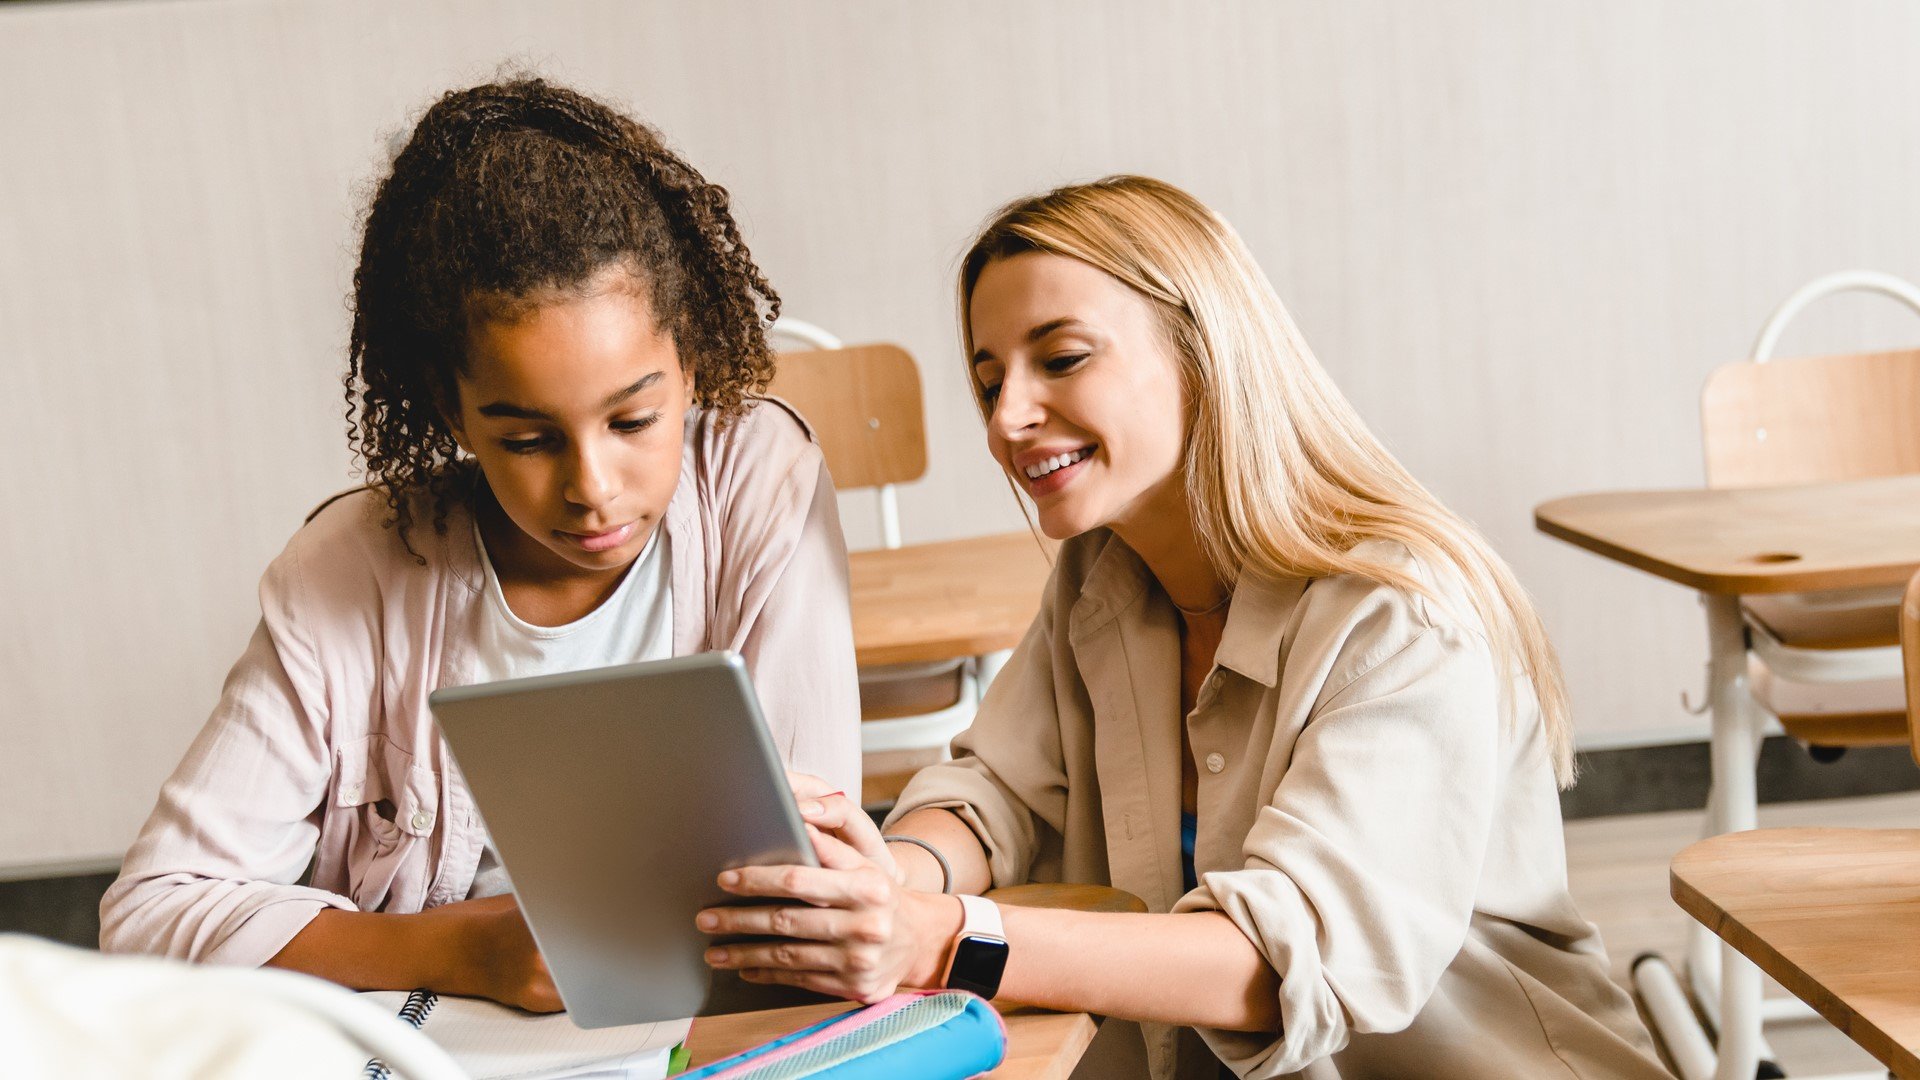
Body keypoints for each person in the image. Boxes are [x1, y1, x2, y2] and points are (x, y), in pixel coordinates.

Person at [694, 176, 1667, 1079]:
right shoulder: (1101, 575)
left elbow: (1279, 962)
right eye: (991, 382)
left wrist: (938, 934)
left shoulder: (1403, 614)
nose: (1006, 419)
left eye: (1062, 358)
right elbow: (997, 789)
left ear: (1206, 352)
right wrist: (887, 882)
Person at [99, 77, 860, 1014]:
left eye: (635, 419)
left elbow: (812, 875)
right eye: (528, 439)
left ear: (692, 362)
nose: (591, 487)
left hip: (708, 1029)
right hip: (436, 1036)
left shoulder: (759, 481)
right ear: (451, 409)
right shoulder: (350, 572)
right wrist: (464, 951)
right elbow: (148, 915)